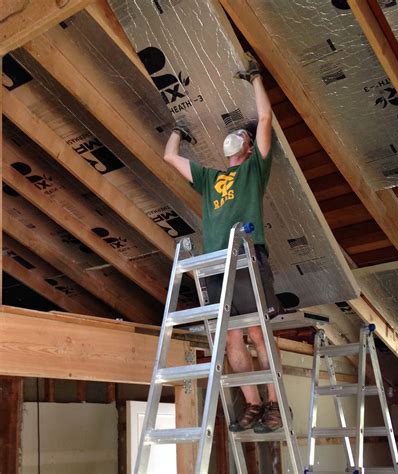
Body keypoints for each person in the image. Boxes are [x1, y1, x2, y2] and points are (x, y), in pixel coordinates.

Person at [163, 54, 282, 433]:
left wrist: (255, 79)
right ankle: (252, 405)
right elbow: (169, 156)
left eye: (242, 135)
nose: (238, 136)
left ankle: (276, 405)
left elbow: (265, 119)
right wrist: (179, 130)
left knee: (258, 333)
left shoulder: (254, 169)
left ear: (246, 147)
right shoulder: (210, 178)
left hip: (246, 258)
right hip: (216, 265)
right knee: (231, 338)